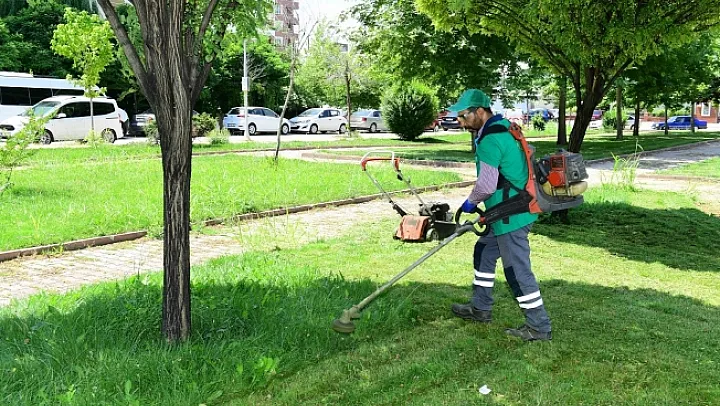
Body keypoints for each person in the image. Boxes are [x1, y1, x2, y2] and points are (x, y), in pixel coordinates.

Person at [449, 89, 552, 342]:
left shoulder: (490, 140)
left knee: (516, 271)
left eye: (463, 116)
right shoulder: (504, 128)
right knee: (484, 251)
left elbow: (485, 186)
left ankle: (538, 327)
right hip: (507, 210)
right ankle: (480, 308)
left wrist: (469, 204)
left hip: (511, 215)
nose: (460, 122)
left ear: (479, 112)